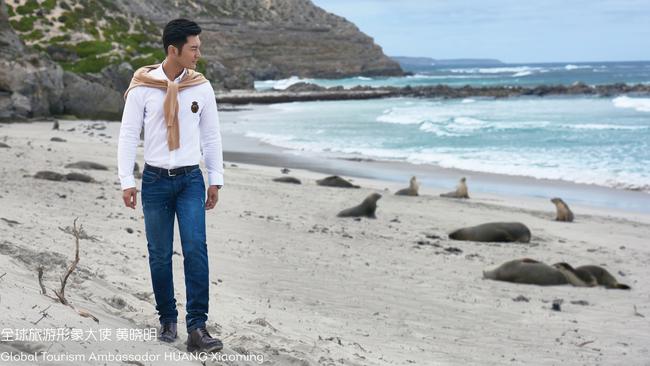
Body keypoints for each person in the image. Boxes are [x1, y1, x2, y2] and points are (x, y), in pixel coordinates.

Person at [117, 18, 224, 353]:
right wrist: (126, 180)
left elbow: (211, 135)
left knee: (195, 250)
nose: (198, 54)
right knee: (160, 255)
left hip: (191, 179)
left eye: (199, 47)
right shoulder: (142, 85)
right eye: (193, 48)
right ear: (173, 49)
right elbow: (128, 135)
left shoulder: (201, 86)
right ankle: (167, 319)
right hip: (155, 181)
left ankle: (197, 328)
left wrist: (215, 179)